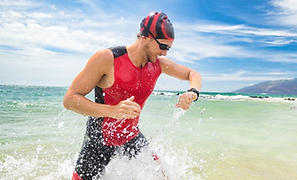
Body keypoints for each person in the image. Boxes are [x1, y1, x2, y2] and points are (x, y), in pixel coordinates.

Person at [63, 11, 202, 180]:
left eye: (168, 48)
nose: (165, 53)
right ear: (146, 38)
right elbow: (70, 99)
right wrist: (112, 111)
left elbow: (193, 74)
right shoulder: (108, 58)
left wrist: (192, 92)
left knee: (163, 174)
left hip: (130, 135)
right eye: (163, 47)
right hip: (100, 138)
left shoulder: (159, 64)